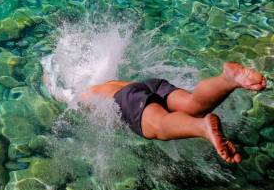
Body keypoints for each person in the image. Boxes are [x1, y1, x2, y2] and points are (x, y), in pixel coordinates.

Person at [84, 62, 267, 164]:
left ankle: (202, 127)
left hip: (127, 98)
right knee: (193, 105)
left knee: (160, 125)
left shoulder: (82, 96)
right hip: (147, 85)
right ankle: (227, 79)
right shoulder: (106, 82)